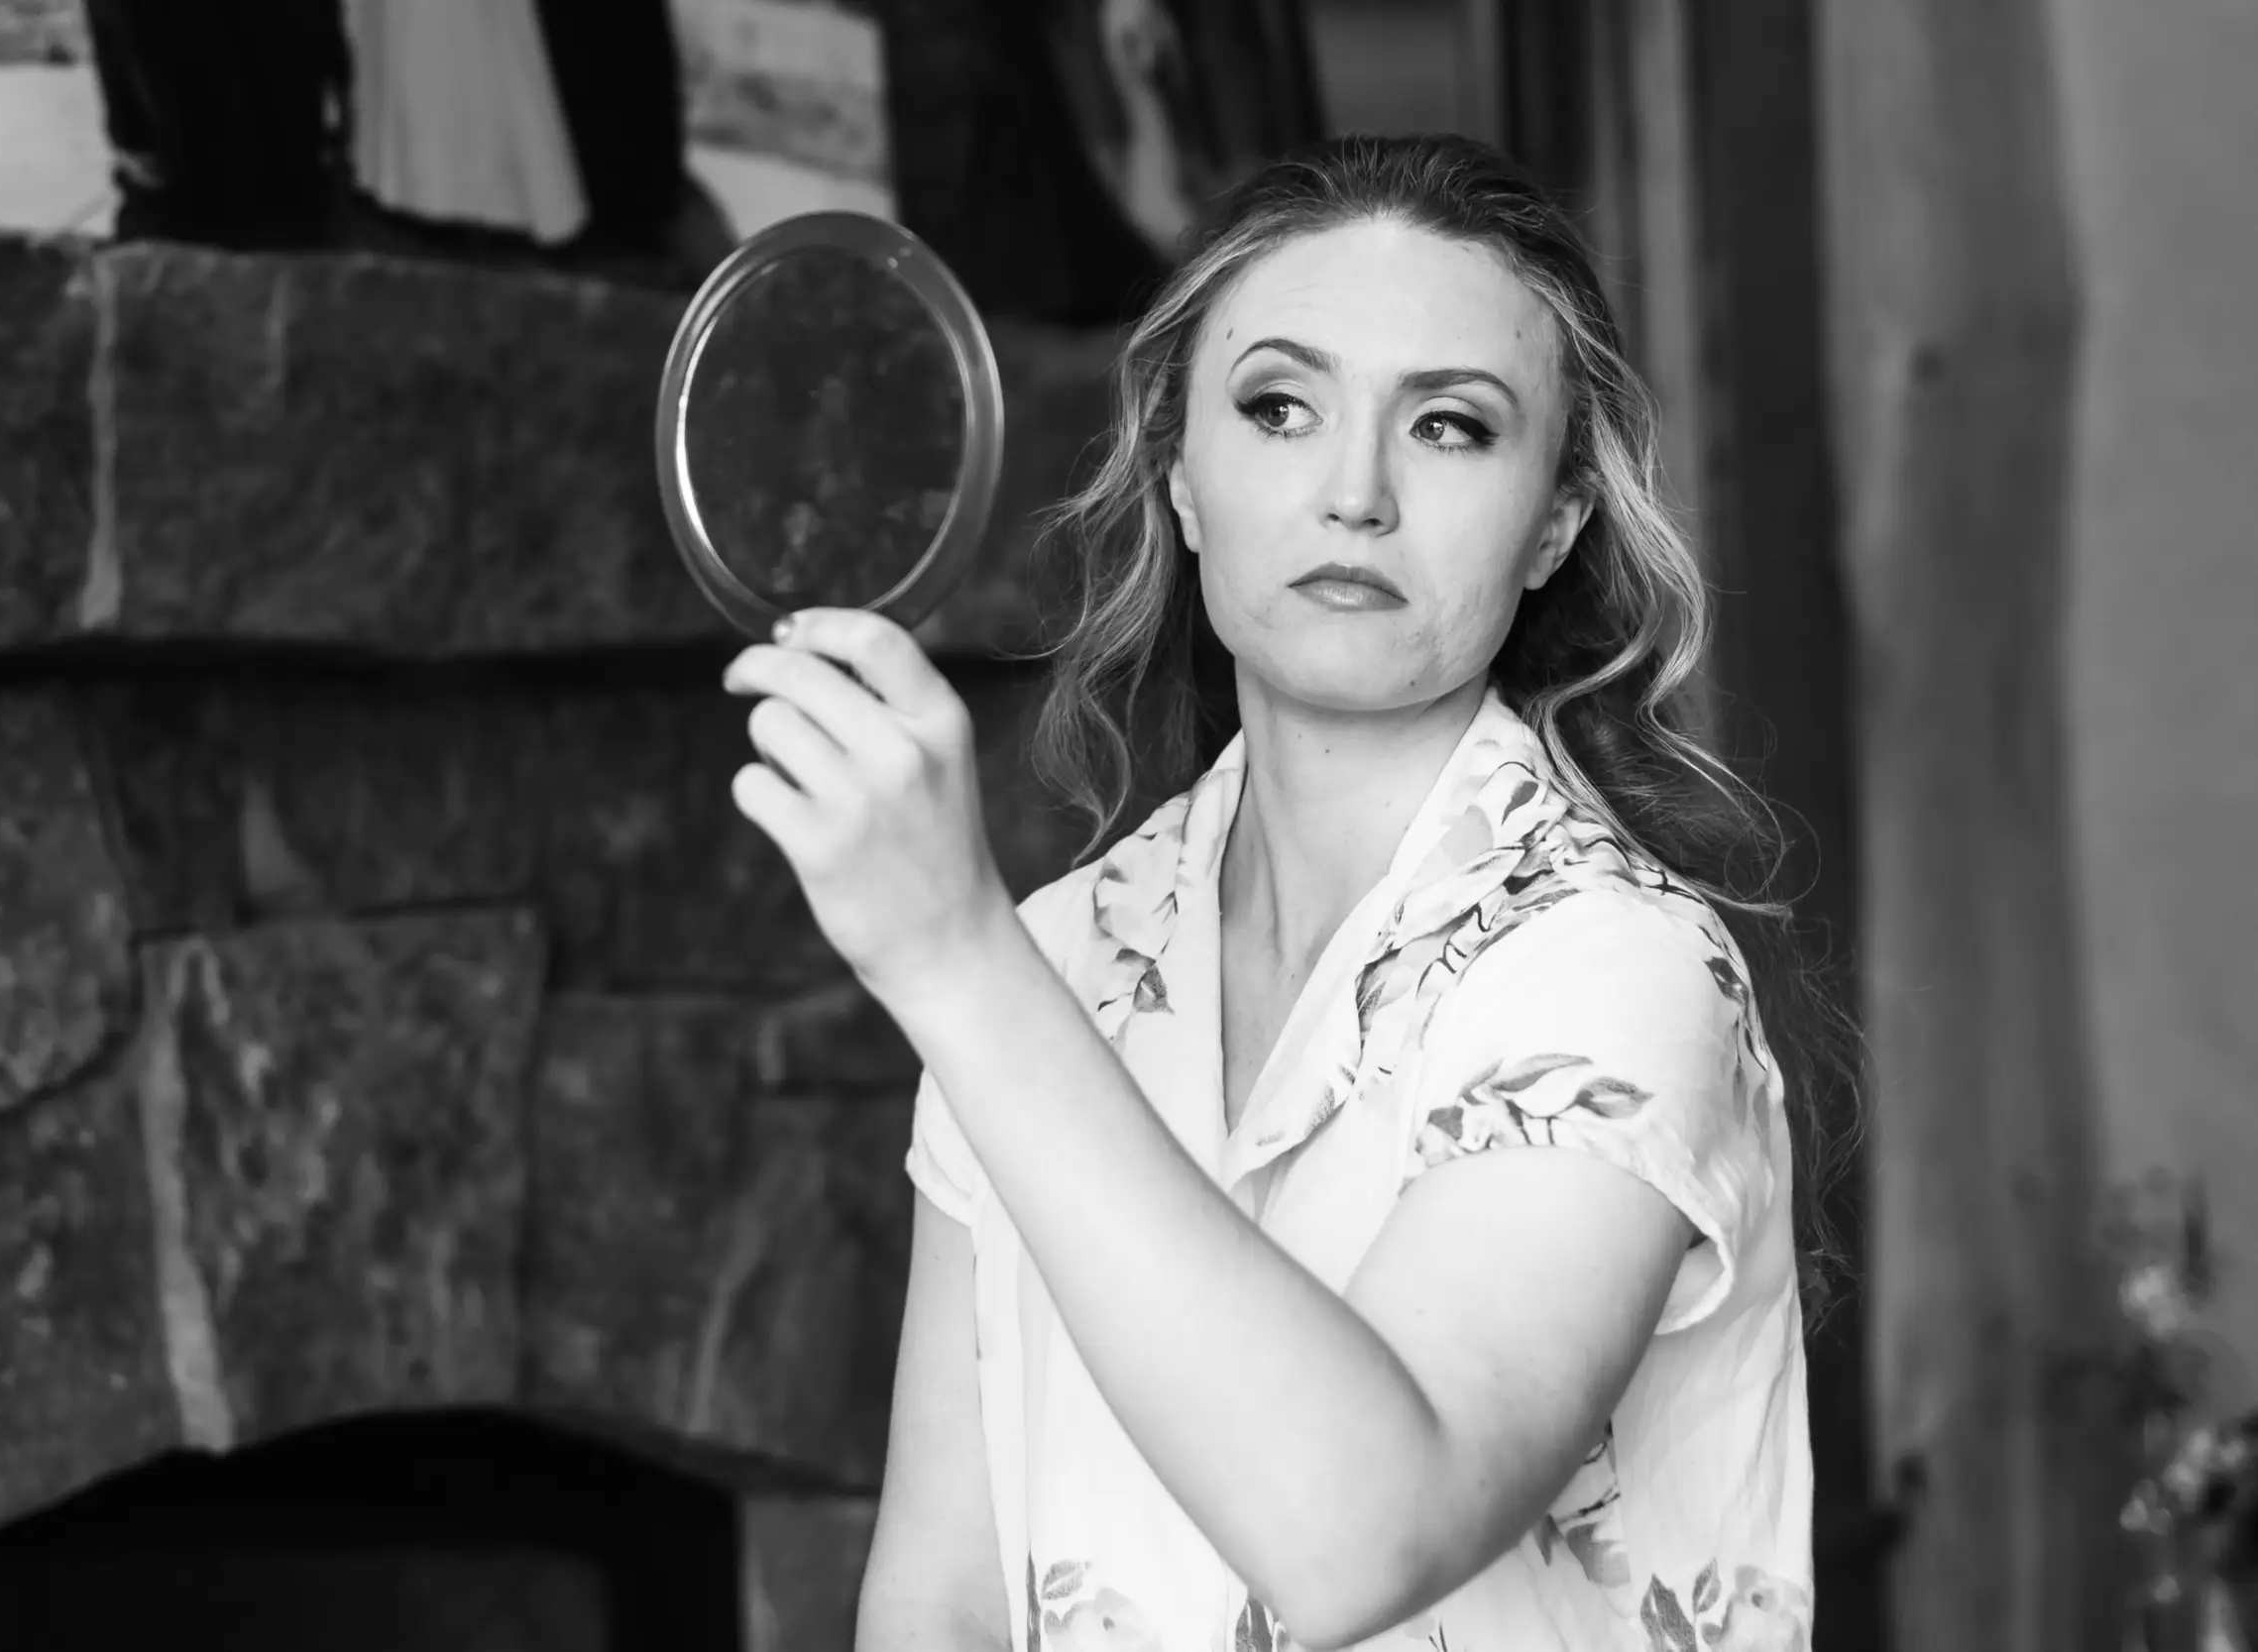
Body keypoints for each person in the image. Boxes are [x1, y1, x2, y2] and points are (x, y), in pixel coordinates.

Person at [718, 133, 1856, 1652]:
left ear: (1559, 522)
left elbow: (1365, 1530)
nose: (1355, 493)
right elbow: (943, 1596)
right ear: (1183, 477)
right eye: (1277, 406)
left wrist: (945, 953)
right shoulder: (1060, 952)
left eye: (1450, 427)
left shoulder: (1612, 965)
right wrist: (982, 963)